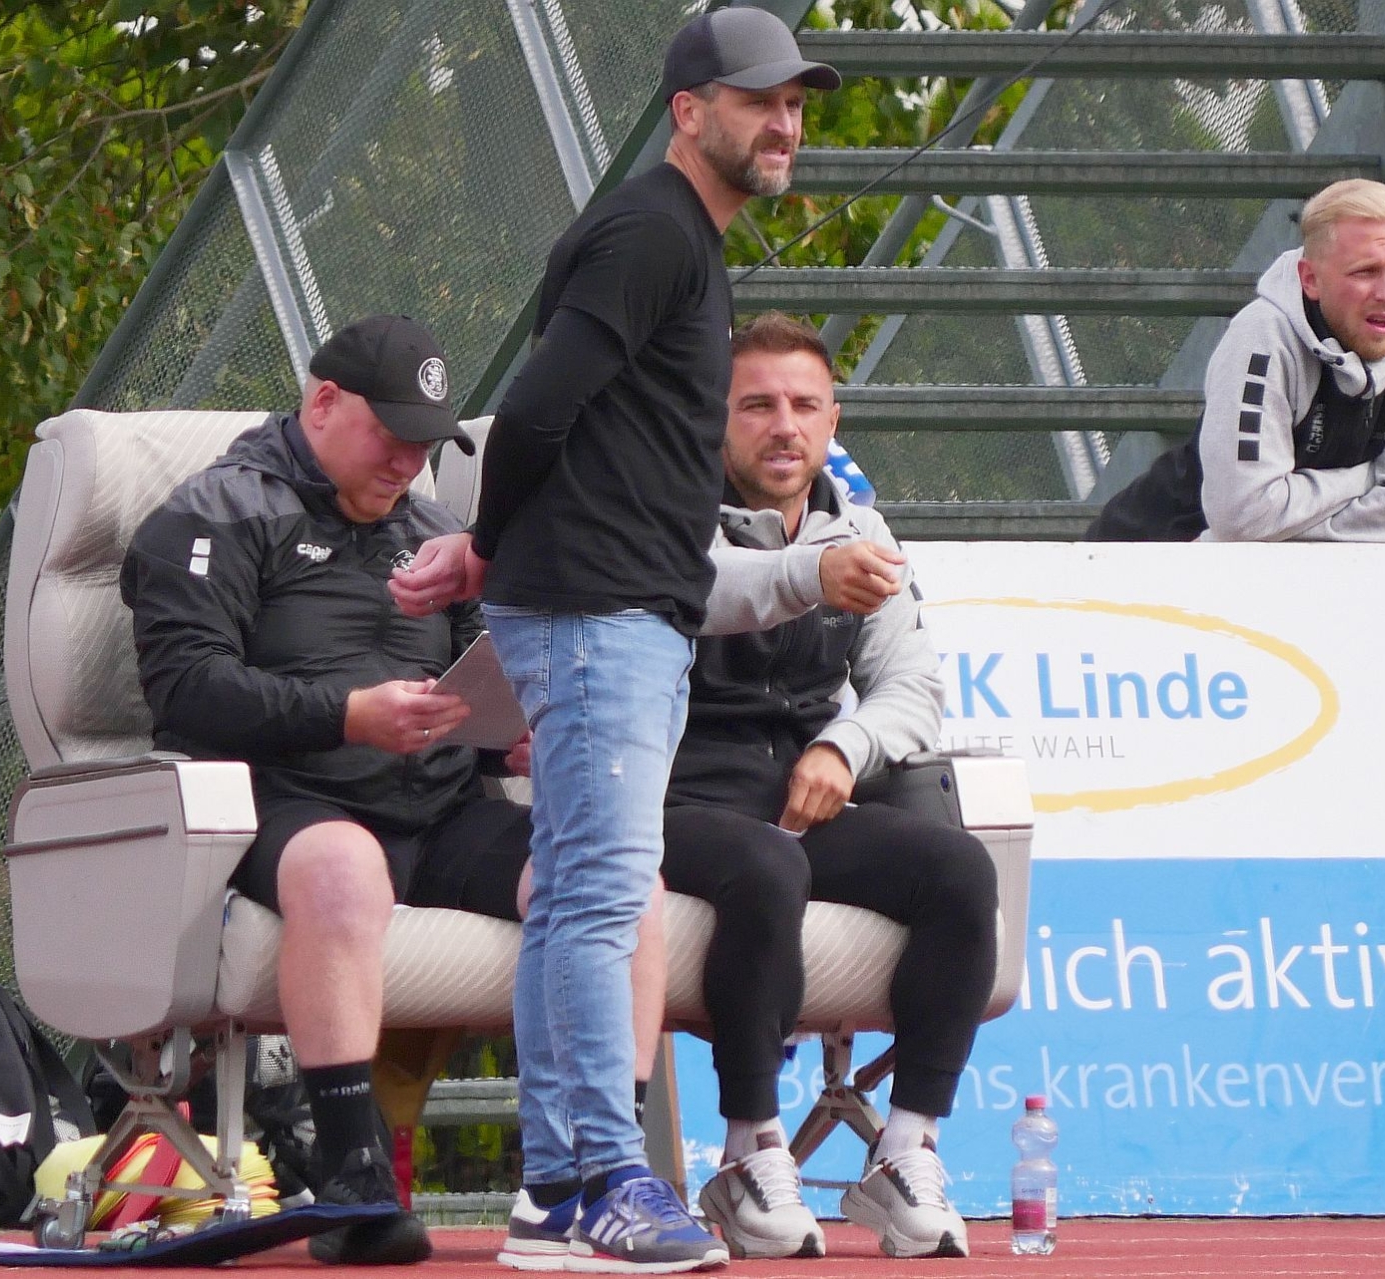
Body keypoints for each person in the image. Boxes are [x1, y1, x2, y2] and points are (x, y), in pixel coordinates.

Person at [389, 9, 839, 1274]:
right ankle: (600, 1177)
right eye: (759, 101)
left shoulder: (681, 239)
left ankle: (554, 1192)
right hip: (594, 611)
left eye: (795, 104)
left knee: (577, 897)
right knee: (596, 895)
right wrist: (491, 547)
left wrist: (497, 553)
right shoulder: (652, 231)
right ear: (689, 112)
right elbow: (534, 408)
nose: (785, 123)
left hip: (617, 606)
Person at [121, 314, 511, 1267]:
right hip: (287, 801)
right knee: (343, 868)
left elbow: (480, 675)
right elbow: (187, 690)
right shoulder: (215, 511)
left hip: (442, 809)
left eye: (426, 443)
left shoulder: (436, 533)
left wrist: (513, 734)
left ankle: (586, 1171)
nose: (409, 461)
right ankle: (351, 1174)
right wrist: (347, 715)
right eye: (391, 434)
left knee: (599, 869)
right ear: (324, 402)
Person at [649, 313, 996, 1261]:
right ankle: (748, 1150)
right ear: (714, 417)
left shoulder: (862, 527)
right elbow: (709, 587)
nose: (784, 426)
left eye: (805, 406)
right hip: (677, 795)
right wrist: (814, 572)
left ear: (833, 419)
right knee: (769, 866)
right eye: (757, 405)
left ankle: (905, 1148)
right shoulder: (666, 509)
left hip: (806, 790)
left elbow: (914, 685)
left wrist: (844, 748)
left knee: (960, 871)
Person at [1087, 178, 1385, 542]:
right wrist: (1366, 478)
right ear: (1310, 279)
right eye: (1365, 272)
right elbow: (1243, 518)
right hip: (1152, 553)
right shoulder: (1263, 335)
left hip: (1295, 571)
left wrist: (1285, 516)